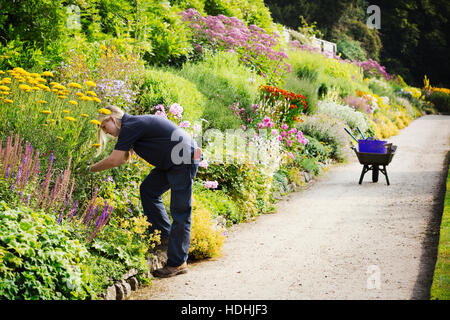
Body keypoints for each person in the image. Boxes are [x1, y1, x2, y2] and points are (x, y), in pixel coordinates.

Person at [86, 105, 201, 278]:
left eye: (104, 127)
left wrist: (88, 169)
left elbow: (115, 160)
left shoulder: (130, 125)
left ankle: (178, 263)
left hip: (184, 157)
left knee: (180, 211)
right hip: (172, 160)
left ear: (111, 118)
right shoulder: (130, 127)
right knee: (148, 189)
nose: (106, 132)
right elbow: (123, 158)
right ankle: (165, 237)